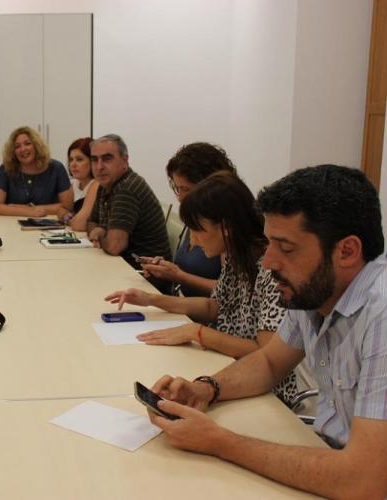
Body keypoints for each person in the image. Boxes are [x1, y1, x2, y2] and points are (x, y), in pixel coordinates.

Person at [140, 165, 387, 498]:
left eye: (285, 248)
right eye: (269, 243)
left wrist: (221, 442)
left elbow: (365, 480)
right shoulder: (314, 292)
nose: (268, 262)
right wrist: (207, 388)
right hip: (329, 457)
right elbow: (270, 362)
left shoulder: (380, 313)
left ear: (346, 251)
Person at [106, 172, 297, 404]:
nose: (193, 241)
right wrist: (152, 299)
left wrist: (198, 333)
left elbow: (266, 354)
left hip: (263, 393)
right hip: (226, 368)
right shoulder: (235, 256)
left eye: (198, 231)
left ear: (225, 228)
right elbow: (214, 306)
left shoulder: (272, 270)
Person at [140, 142, 238, 297]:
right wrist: (165, 270)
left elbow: (230, 293)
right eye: (178, 189)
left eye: (185, 189)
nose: (180, 197)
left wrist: (179, 276)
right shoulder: (195, 214)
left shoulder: (228, 225)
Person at [87, 134, 171, 290]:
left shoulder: (127, 189)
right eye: (94, 160)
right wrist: (100, 231)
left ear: (125, 160)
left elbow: (114, 246)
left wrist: (100, 233)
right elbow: (91, 223)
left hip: (147, 281)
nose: (99, 167)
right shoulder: (105, 184)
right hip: (123, 270)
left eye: (107, 158)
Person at [0, 126, 73, 217]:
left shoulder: (56, 168)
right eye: (17, 146)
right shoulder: (6, 169)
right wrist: (29, 211)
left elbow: (67, 206)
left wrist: (35, 209)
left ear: (37, 146)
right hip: (11, 225)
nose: (23, 149)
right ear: (13, 152)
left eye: (27, 144)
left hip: (49, 227)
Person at [62, 137, 98, 231]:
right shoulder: (72, 183)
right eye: (71, 159)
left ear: (92, 161)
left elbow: (79, 224)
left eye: (79, 159)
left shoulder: (97, 185)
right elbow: (59, 210)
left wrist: (67, 219)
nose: (73, 164)